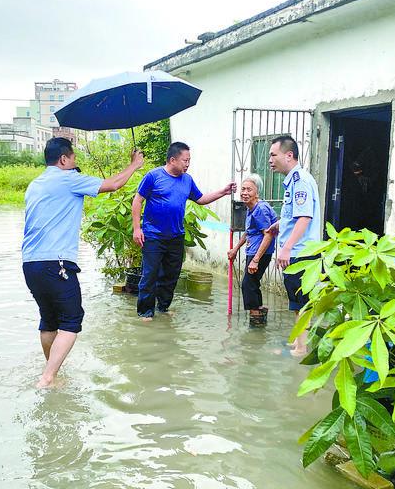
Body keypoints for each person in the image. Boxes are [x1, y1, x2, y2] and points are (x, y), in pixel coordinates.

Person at [22, 137, 143, 388]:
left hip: (30, 263)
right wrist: (134, 165)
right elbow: (113, 184)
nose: (76, 162)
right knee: (71, 320)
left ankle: (51, 372)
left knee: (49, 320)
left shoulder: (34, 185)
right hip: (56, 263)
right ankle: (47, 377)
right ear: (64, 159)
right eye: (74, 158)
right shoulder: (68, 179)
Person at [132, 141, 236, 319]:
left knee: (171, 276)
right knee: (150, 275)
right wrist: (137, 229)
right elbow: (137, 201)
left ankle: (163, 308)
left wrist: (223, 192)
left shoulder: (187, 180)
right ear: (172, 160)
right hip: (153, 235)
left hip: (176, 236)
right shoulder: (153, 176)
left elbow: (201, 199)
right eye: (185, 160)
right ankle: (145, 313)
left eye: (189, 160)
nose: (188, 164)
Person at [266, 135, 321, 355]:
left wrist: (287, 247)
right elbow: (295, 214)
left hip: (301, 253)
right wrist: (279, 224)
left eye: (273, 154)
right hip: (297, 250)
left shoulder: (301, 181)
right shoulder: (293, 180)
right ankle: (299, 343)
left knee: (302, 302)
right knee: (297, 301)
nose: (270, 159)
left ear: (289, 155)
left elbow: (305, 217)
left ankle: (301, 348)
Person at [226, 174, 278, 322]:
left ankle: (256, 321)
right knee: (252, 284)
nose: (245, 193)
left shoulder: (260, 209)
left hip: (260, 253)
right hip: (254, 251)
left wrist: (256, 260)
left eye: (249, 190)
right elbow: (249, 232)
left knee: (248, 284)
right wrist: (235, 249)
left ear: (257, 193)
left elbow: (268, 235)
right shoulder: (251, 208)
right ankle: (259, 315)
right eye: (243, 189)